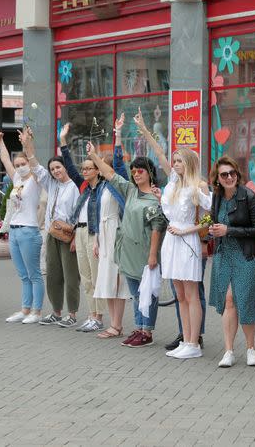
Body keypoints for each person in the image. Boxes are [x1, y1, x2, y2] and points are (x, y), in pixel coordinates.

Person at [135, 110, 210, 359]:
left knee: (191, 293)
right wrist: (145, 131)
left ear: (188, 163)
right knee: (179, 294)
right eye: (174, 160)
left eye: (179, 161)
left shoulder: (196, 186)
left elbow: (213, 214)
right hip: (171, 240)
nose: (175, 164)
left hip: (186, 240)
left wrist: (190, 229)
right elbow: (158, 153)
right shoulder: (172, 184)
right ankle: (186, 340)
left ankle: (193, 343)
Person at [87, 122, 166, 348]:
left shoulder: (155, 199)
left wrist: (152, 256)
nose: (135, 173)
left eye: (140, 170)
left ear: (150, 173)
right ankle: (139, 327)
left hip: (144, 255)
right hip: (127, 253)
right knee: (135, 294)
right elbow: (111, 173)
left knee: (147, 294)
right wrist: (94, 156)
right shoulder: (131, 191)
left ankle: (147, 332)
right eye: (133, 171)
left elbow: (156, 229)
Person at [59, 122, 130, 336]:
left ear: (99, 171)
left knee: (104, 277)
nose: (84, 171)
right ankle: (94, 315)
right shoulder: (86, 187)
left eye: (90, 168)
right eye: (84, 169)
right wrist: (63, 142)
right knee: (88, 277)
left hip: (105, 233)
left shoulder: (111, 185)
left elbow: (118, 166)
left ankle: (101, 318)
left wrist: (117, 136)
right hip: (88, 233)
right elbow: (71, 169)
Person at [208, 155, 255, 368]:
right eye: (224, 174)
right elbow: (216, 222)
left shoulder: (249, 196)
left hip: (247, 254)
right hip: (225, 254)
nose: (229, 177)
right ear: (218, 179)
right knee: (228, 300)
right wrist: (215, 232)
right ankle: (229, 351)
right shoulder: (217, 197)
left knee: (245, 300)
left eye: (232, 173)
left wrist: (228, 231)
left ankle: (251, 348)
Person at [21, 127, 81, 327]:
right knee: (53, 274)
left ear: (65, 167)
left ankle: (72, 315)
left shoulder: (75, 187)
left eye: (59, 167)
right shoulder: (51, 184)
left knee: (71, 276)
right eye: (53, 168)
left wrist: (75, 239)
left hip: (69, 235)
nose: (56, 171)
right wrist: (27, 142)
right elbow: (34, 164)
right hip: (52, 234)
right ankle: (56, 312)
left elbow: (79, 215)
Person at [0, 130, 45, 324]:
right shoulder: (17, 179)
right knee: (23, 275)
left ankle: (37, 311)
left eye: (23, 164)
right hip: (15, 231)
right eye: (18, 165)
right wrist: (0, 141)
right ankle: (25, 309)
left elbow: (34, 160)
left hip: (29, 230)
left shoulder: (35, 179)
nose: (20, 167)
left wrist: (28, 143)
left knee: (34, 274)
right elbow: (5, 160)